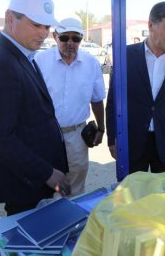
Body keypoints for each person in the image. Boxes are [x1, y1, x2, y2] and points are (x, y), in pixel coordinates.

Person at [0, 0, 69, 216]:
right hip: (24, 184)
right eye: (36, 24)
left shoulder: (20, 55)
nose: (44, 33)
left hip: (34, 181)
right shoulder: (0, 64)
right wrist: (46, 172)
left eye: (47, 27)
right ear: (10, 18)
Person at [106, 1, 165, 173]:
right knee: (133, 196)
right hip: (132, 142)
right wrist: (112, 139)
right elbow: (113, 100)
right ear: (151, 25)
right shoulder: (125, 56)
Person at [35, 17, 106, 196]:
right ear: (55, 36)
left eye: (76, 38)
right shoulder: (39, 61)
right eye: (65, 37)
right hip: (45, 134)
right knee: (44, 184)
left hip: (77, 136)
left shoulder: (91, 64)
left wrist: (101, 129)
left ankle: (73, 220)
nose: (70, 43)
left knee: (75, 186)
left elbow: (97, 99)